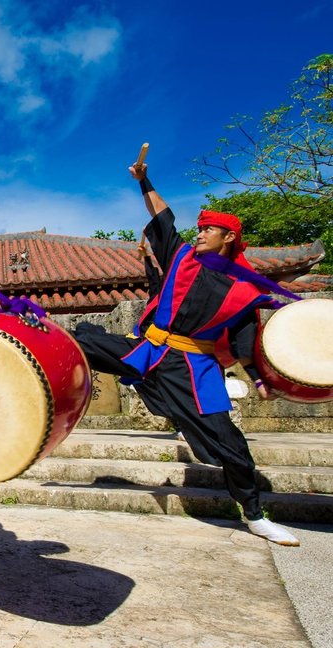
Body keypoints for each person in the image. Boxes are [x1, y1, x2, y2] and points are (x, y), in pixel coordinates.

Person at [73, 160, 299, 547]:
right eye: (199, 228)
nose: (200, 233)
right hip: (149, 351)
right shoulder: (181, 257)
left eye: (208, 229)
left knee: (232, 446)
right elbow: (163, 216)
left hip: (193, 368)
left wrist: (260, 378)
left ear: (228, 237)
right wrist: (144, 181)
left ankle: (255, 516)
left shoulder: (243, 288)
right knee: (82, 339)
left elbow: (245, 338)